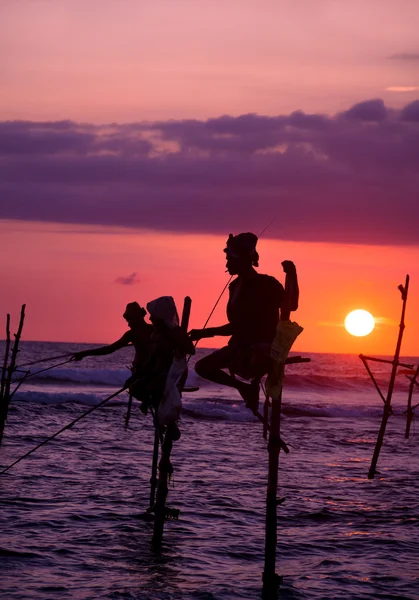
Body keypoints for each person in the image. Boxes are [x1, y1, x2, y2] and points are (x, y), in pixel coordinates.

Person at [189, 232, 298, 412]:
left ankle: (250, 387)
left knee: (252, 358)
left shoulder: (267, 284)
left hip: (261, 348)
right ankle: (245, 388)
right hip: (238, 347)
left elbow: (291, 304)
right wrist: (204, 333)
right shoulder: (234, 286)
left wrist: (292, 274)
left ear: (242, 259)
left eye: (230, 258)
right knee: (202, 367)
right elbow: (236, 325)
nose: (226, 264)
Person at [72, 301, 153, 368]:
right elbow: (109, 349)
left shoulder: (132, 334)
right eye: (128, 320)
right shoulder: (153, 329)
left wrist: (84, 353)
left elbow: (109, 349)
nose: (128, 324)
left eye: (130, 320)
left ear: (138, 317)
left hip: (143, 372)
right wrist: (85, 353)